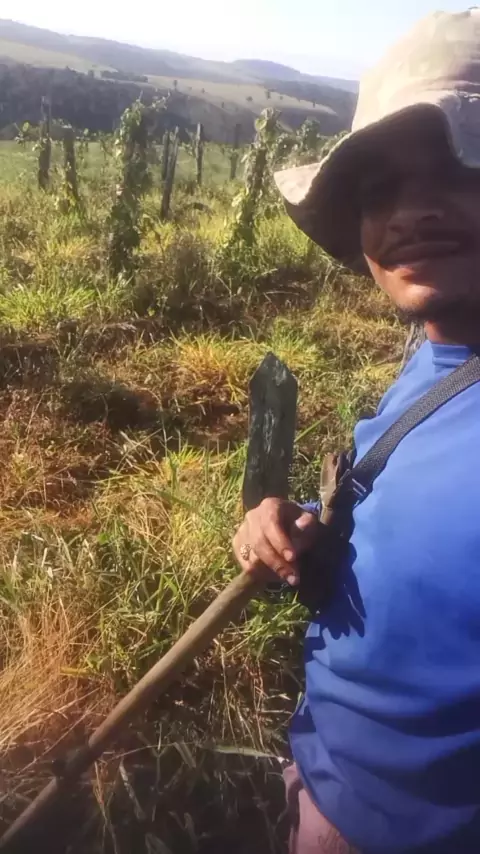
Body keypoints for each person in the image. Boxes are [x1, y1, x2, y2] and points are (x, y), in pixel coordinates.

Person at [233, 9, 480, 854]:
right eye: (379, 192)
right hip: (324, 775)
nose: (410, 213)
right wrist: (304, 529)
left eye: (460, 166)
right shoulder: (436, 354)